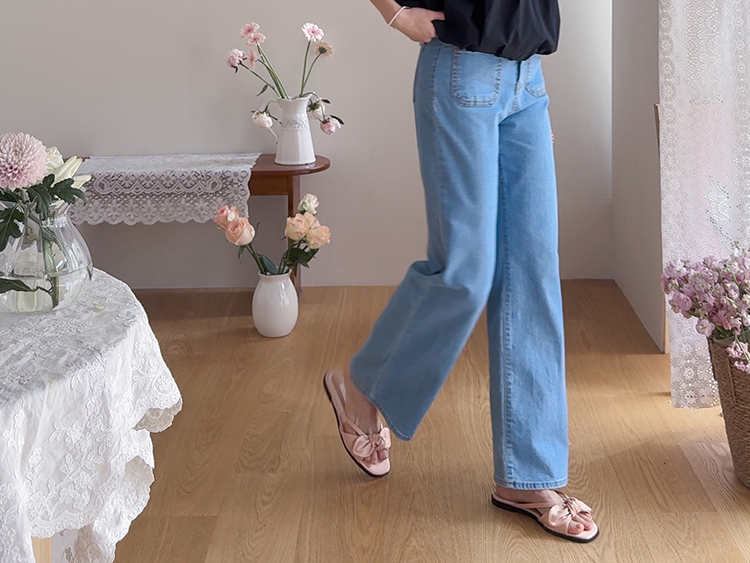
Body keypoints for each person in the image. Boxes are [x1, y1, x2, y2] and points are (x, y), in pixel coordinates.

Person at [323, 0, 599, 543]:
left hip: (528, 78)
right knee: (465, 271)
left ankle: (526, 478)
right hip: (460, 71)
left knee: (533, 276)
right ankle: (361, 386)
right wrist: (394, 12)